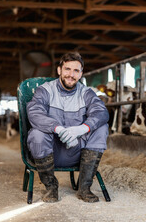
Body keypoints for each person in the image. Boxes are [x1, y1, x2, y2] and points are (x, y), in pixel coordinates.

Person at [26, 52, 109, 203]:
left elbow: (101, 112)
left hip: (78, 152)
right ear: (59, 70)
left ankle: (84, 187)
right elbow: (34, 113)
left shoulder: (86, 92)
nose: (71, 75)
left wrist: (82, 128)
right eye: (67, 69)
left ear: (81, 73)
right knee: (37, 134)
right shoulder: (45, 90)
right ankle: (51, 187)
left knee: (102, 127)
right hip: (51, 151)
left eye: (76, 71)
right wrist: (57, 128)